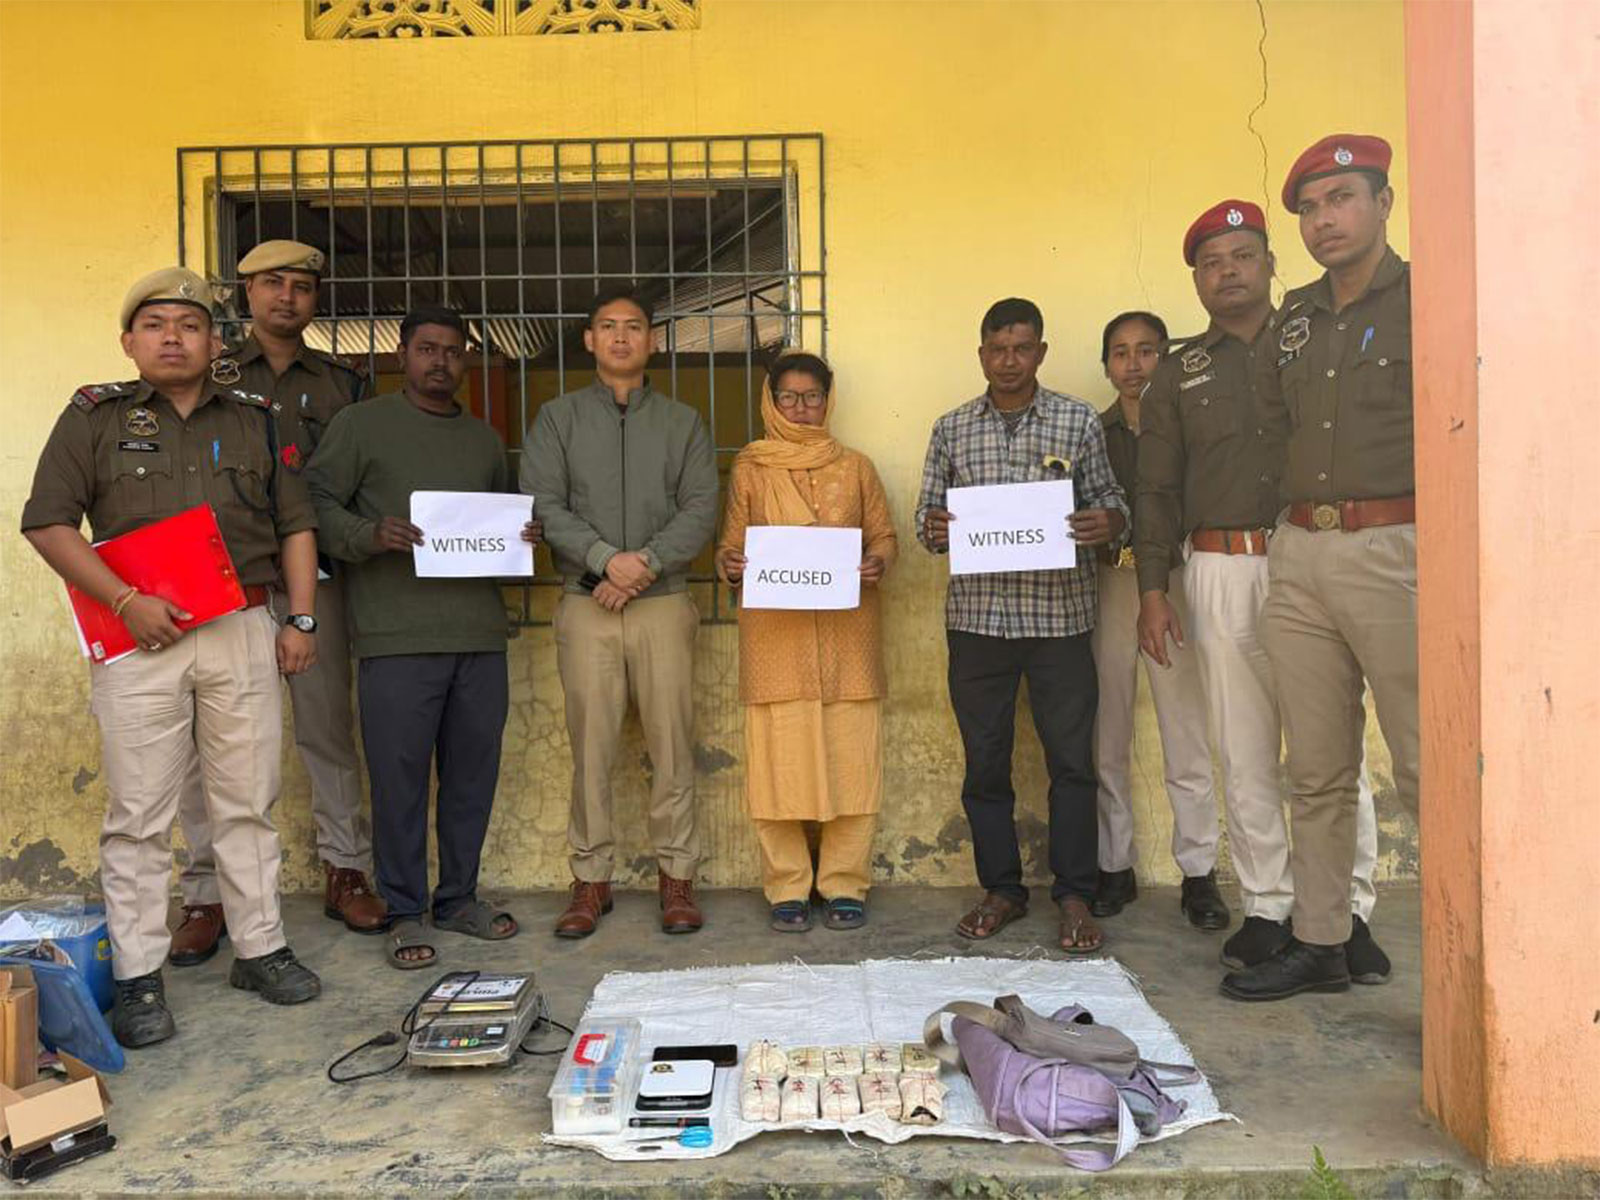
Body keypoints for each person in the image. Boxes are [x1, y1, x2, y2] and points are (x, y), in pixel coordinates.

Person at [21, 267, 323, 1047]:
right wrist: (126, 602)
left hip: (240, 629)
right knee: (140, 815)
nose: (172, 337)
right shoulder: (93, 417)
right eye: (154, 324)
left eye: (189, 325)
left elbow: (295, 526)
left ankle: (259, 948)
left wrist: (300, 620)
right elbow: (50, 524)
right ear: (129, 341)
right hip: (135, 638)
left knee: (246, 799)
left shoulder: (254, 419)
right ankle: (139, 976)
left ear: (214, 341)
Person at [1137, 201, 1382, 974]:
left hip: (1312, 553)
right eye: (1212, 262)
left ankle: (1350, 909)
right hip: (1219, 566)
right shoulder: (1180, 372)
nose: (1228, 272)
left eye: (1243, 256)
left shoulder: (1316, 340)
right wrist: (1152, 587)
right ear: (1197, 280)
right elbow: (1155, 488)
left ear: (1272, 263)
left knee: (1329, 743)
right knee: (1241, 747)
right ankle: (1271, 906)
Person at [1222, 134, 1417, 1002]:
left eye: (1340, 198)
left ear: (1383, 202)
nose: (1323, 218)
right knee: (1318, 767)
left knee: (1425, 766)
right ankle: (1322, 940)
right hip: (1298, 552)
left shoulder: (1432, 298)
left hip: (1399, 549)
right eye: (1308, 207)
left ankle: (1465, 957)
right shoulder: (1291, 317)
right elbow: (1271, 426)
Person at [171, 239, 382, 971]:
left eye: (300, 285)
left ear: (316, 298)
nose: (285, 296)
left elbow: (359, 482)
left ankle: (344, 869)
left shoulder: (345, 384)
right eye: (270, 283)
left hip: (314, 579)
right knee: (206, 749)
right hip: (218, 584)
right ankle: (207, 893)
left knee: (326, 730)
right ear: (245, 292)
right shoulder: (211, 371)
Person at [306, 306, 538, 968]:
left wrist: (519, 537)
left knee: (472, 775)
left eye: (453, 351)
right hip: (393, 634)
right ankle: (405, 911)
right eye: (427, 349)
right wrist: (366, 534)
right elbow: (315, 506)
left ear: (466, 360)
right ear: (402, 356)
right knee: (400, 779)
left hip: (477, 632)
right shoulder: (362, 425)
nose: (441, 361)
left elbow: (493, 522)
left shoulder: (483, 440)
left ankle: (458, 897)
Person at [915, 297, 1130, 954]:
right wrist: (936, 527)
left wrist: (1107, 525)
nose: (1009, 360)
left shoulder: (1076, 421)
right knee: (986, 761)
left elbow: (1112, 504)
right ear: (981, 354)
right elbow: (926, 522)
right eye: (997, 348)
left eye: (1022, 348)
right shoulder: (952, 428)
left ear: (1040, 351)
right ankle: (1002, 888)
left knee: (1072, 762)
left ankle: (1074, 894)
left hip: (1059, 618)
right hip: (978, 624)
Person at [522, 283, 719, 938]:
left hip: (662, 603)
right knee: (592, 747)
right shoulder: (557, 419)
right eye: (607, 326)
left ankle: (677, 878)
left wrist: (643, 567)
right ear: (588, 340)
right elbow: (544, 503)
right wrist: (606, 559)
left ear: (653, 340)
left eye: (633, 326)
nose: (621, 337)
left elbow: (700, 507)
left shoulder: (683, 421)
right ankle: (590, 879)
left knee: (671, 745)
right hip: (587, 604)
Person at [715, 352, 897, 932]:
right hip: (777, 641)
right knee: (777, 767)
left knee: (852, 762)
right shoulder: (751, 468)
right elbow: (728, 547)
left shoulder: (857, 467)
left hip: (848, 638)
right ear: (771, 400)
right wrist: (732, 563)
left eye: (811, 396)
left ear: (828, 399)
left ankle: (845, 882)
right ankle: (787, 886)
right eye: (789, 397)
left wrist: (876, 561)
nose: (801, 407)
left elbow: (885, 537)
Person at [1087, 310, 1225, 929]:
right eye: (1121, 353)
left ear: (1165, 357)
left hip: (1176, 583)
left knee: (1185, 728)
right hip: (1112, 585)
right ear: (1106, 364)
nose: (1134, 364)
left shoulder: (1194, 425)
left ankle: (1199, 872)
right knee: (1106, 728)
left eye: (1147, 351)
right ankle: (1113, 864)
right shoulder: (1092, 432)